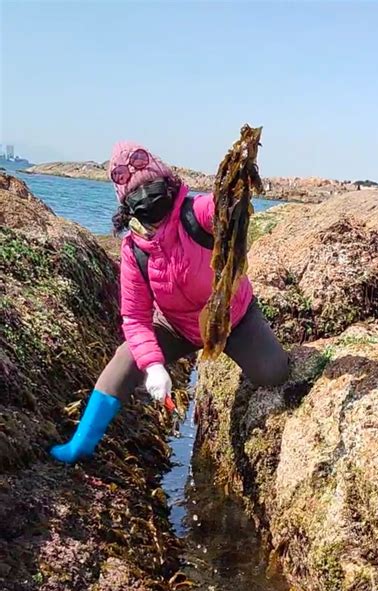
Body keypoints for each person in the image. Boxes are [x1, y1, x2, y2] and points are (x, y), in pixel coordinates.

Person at [50, 142, 290, 464]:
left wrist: (239, 178)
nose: (147, 195)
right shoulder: (134, 251)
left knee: (273, 373)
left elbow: (223, 207)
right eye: (136, 192)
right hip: (176, 325)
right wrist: (153, 366)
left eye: (152, 185)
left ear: (168, 181)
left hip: (232, 318)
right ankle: (79, 445)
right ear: (126, 204)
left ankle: (245, 359)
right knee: (124, 360)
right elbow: (134, 318)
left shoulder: (196, 213)